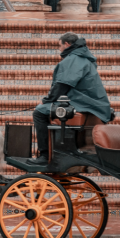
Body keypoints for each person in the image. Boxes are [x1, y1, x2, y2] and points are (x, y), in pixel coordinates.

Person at [28, 33, 114, 166]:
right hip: (91, 102)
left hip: (85, 103)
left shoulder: (73, 59)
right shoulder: (83, 57)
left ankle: (45, 155)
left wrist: (47, 100)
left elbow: (63, 84)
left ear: (66, 44)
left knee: (39, 112)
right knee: (46, 110)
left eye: (60, 46)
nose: (60, 49)